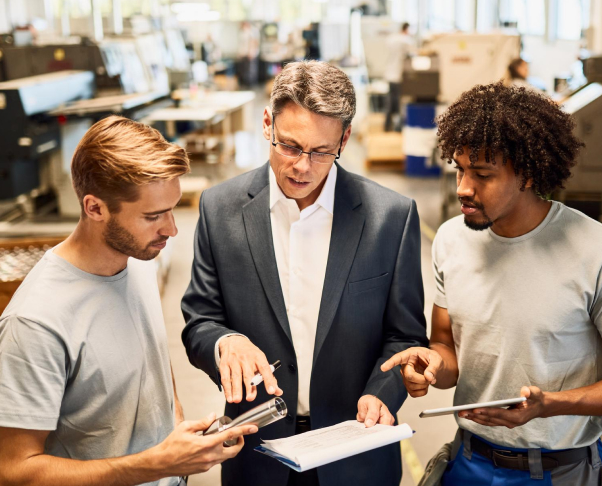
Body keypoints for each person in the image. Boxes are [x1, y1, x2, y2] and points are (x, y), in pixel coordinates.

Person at [382, 83, 602, 485]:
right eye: (459, 168)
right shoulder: (450, 240)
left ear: (528, 174)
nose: (463, 187)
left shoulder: (599, 252)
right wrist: (430, 367)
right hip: (470, 461)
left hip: (561, 470)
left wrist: (549, 405)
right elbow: (447, 351)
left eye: (482, 174)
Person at [181, 60, 428, 486]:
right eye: (290, 146)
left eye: (321, 152)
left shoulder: (391, 217)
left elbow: (404, 337)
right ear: (267, 124)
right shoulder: (219, 209)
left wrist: (382, 393)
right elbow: (200, 319)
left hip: (355, 451)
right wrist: (225, 341)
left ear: (345, 139)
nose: (302, 167)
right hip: (257, 451)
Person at [0, 116, 256, 486]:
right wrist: (154, 464)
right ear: (95, 208)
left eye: (171, 209)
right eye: (153, 216)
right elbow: (10, 473)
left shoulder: (137, 260)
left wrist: (176, 429)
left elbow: (150, 357)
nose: (172, 229)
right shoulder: (35, 322)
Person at [384, 22, 414, 132]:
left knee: (390, 101)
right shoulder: (405, 40)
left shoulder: (391, 39)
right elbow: (412, 54)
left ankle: (387, 125)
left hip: (389, 74)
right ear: (406, 29)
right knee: (398, 102)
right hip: (398, 75)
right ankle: (398, 127)